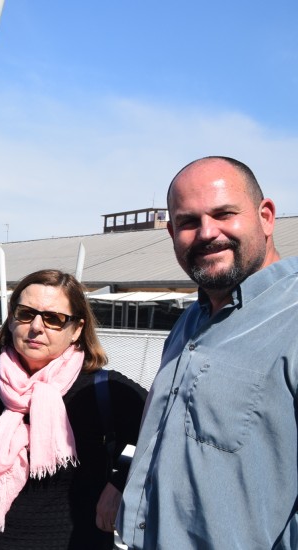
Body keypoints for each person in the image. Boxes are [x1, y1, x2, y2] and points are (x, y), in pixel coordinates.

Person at [119, 156, 298, 549]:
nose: (206, 233)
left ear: (266, 216)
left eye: (224, 214)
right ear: (171, 232)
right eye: (187, 222)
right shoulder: (188, 323)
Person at [0, 269, 146, 549]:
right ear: (12, 320)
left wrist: (121, 483)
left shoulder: (103, 391)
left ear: (76, 329)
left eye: (54, 319)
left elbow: (163, 434)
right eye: (26, 314)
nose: (36, 326)